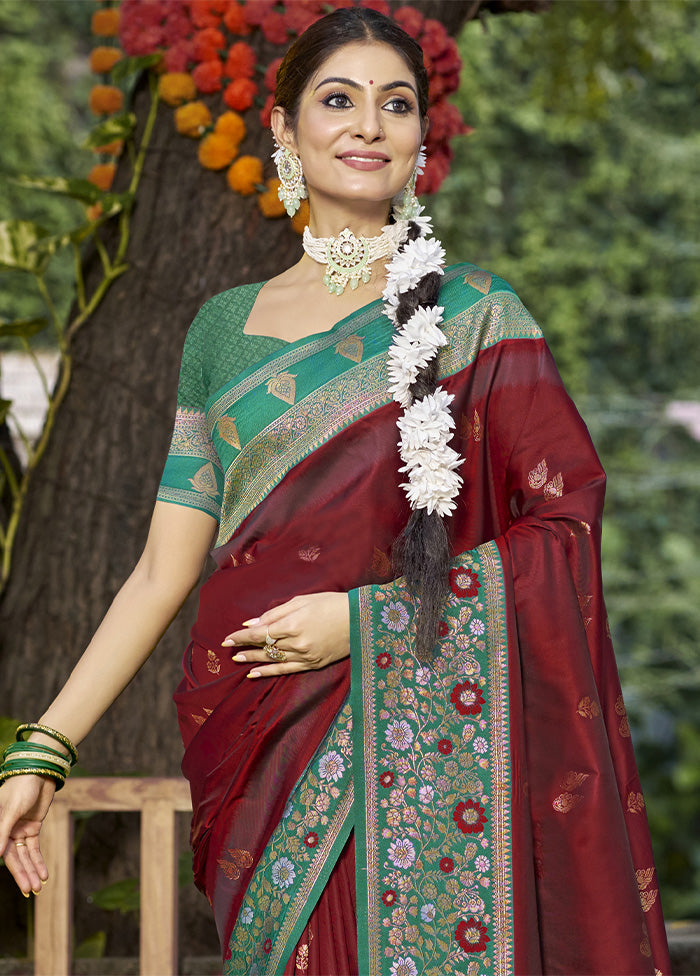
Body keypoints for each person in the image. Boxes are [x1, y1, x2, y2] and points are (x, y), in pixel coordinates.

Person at [0, 8, 672, 975]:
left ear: (419, 139)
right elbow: (161, 567)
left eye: (395, 104)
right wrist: (44, 749)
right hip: (257, 741)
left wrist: (371, 624)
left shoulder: (476, 316)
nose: (368, 124)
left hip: (419, 752)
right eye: (337, 99)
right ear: (283, 129)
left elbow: (564, 525)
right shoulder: (221, 331)